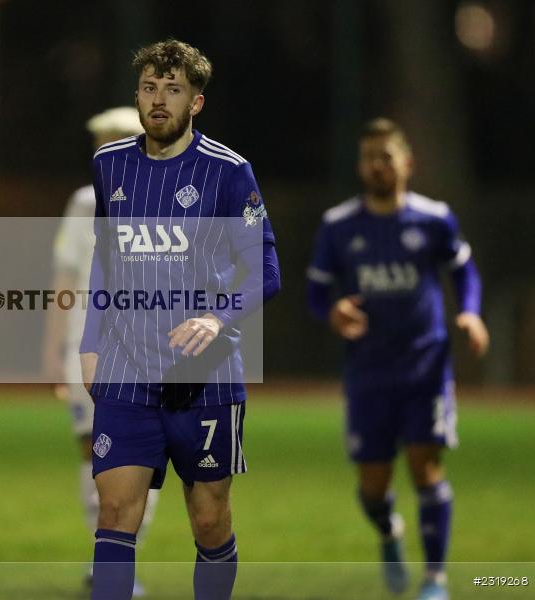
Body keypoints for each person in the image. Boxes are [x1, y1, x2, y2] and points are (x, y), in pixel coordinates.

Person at [79, 39, 281, 600]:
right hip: (126, 369)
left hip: (207, 377)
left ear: (197, 102)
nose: (158, 101)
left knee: (209, 520)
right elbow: (106, 258)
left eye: (173, 90)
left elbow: (265, 268)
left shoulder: (229, 172)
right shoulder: (108, 165)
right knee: (116, 510)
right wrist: (91, 341)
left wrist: (217, 319)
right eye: (149, 88)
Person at [306, 118, 488, 600]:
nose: (377, 166)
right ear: (360, 166)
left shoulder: (433, 219)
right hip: (368, 370)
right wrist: (334, 310)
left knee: (425, 467)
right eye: (369, 158)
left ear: (407, 162)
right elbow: (316, 292)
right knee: (372, 486)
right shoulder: (339, 225)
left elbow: (464, 271)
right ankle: (388, 531)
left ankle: (435, 579)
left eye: (386, 156)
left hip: (425, 364)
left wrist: (469, 314)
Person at [42, 106, 157, 596]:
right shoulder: (84, 203)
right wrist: (52, 349)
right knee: (95, 453)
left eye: (114, 141)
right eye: (100, 143)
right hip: (85, 348)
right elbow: (65, 278)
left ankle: (119, 557)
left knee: (144, 462)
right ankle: (106, 562)